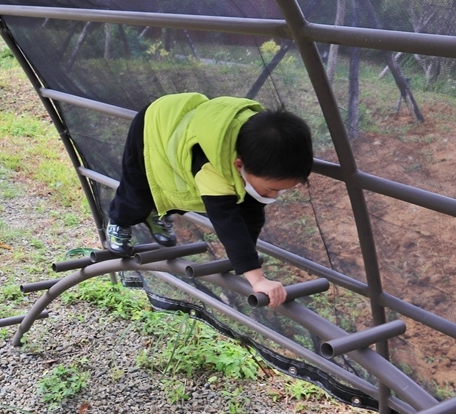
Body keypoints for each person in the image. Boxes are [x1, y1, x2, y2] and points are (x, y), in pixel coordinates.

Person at [105, 92, 312, 307]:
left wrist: (245, 261)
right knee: (137, 192)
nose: (274, 196)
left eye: (282, 191)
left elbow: (251, 215)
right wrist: (257, 279)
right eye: (271, 189)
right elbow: (228, 223)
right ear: (240, 166)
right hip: (154, 125)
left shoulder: (259, 147)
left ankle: (159, 214)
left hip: (184, 135)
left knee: (182, 190)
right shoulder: (211, 168)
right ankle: (119, 222)